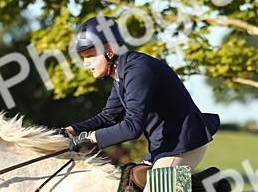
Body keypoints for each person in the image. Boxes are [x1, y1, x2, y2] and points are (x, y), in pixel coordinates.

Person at [63, 14, 219, 169]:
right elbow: (109, 116)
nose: (85, 63)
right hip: (163, 146)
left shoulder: (138, 70)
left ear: (109, 52)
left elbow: (132, 127)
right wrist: (73, 130)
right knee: (131, 188)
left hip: (183, 144)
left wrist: (91, 138)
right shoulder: (122, 73)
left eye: (89, 56)